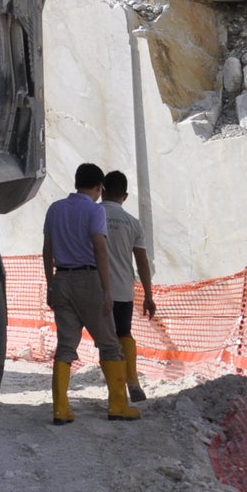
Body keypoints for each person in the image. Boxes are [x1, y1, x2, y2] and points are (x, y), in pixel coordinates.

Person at [41, 161, 138, 424]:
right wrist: (107, 289)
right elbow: (100, 249)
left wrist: (51, 283)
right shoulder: (95, 212)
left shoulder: (55, 209)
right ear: (98, 188)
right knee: (109, 344)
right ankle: (118, 405)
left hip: (61, 279)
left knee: (65, 347)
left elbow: (47, 249)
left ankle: (60, 409)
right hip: (89, 280)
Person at [102, 169, 157, 405]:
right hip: (124, 290)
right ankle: (133, 382)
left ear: (102, 191)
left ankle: (116, 390)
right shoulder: (133, 223)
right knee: (124, 334)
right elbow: (142, 261)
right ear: (124, 195)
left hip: (97, 289)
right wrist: (148, 295)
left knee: (106, 341)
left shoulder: (92, 215)